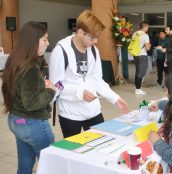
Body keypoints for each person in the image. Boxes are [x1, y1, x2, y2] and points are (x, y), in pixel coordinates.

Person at [48, 10, 129, 138]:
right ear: (80, 32)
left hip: (93, 111)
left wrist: (115, 99)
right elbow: (56, 86)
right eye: (93, 37)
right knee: (74, 151)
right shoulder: (61, 51)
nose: (96, 41)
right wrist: (79, 93)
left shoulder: (94, 51)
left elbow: (97, 80)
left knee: (100, 145)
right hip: (70, 114)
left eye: (97, 37)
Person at [2, 21, 56, 174]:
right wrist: (50, 91)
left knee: (25, 167)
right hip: (32, 123)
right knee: (52, 166)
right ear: (33, 41)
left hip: (16, 121)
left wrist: (40, 87)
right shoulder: (30, 68)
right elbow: (31, 103)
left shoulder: (15, 61)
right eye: (44, 39)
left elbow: (21, 91)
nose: (48, 43)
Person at [132, 21, 151, 95]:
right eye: (147, 27)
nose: (148, 28)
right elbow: (147, 48)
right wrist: (149, 45)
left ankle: (137, 87)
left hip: (135, 55)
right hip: (142, 55)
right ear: (145, 26)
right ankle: (138, 89)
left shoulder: (135, 34)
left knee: (137, 71)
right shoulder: (145, 35)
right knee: (141, 72)